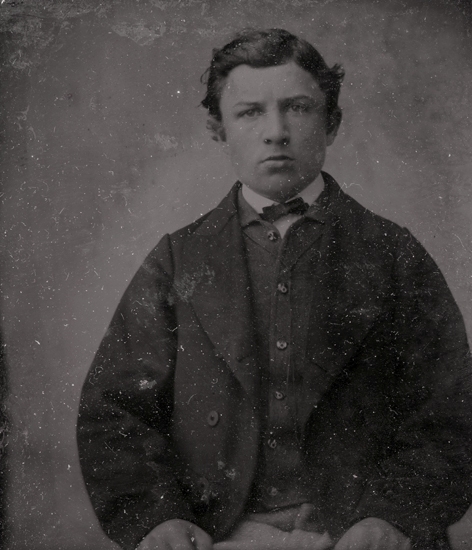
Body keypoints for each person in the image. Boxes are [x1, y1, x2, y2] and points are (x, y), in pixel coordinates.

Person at [77, 28, 472, 550]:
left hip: (362, 534)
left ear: (332, 123)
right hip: (217, 534)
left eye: (298, 108)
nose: (276, 132)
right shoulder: (178, 259)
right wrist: (158, 519)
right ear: (218, 130)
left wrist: (392, 518)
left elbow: (449, 411)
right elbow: (114, 411)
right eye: (249, 113)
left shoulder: (393, 253)